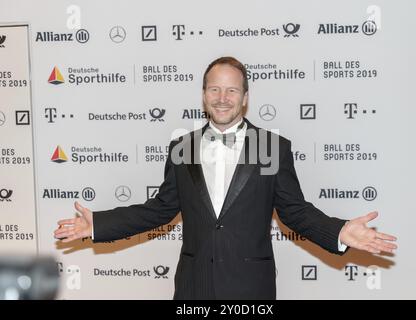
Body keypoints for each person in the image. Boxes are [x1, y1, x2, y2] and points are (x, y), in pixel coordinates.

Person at [54, 56, 397, 300]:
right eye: (214, 90)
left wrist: (338, 231)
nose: (222, 99)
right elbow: (159, 209)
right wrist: (98, 224)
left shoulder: (272, 147)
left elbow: (295, 212)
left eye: (232, 91)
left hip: (251, 287)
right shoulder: (182, 146)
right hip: (194, 286)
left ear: (245, 99)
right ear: (203, 95)